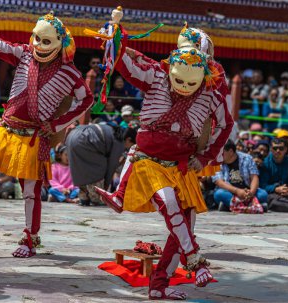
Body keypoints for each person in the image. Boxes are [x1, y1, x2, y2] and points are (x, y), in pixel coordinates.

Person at [96, 23, 233, 300]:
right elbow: (126, 65)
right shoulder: (156, 75)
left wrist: (204, 157)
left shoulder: (211, 93)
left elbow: (224, 125)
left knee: (183, 223)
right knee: (169, 204)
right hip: (148, 160)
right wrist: (115, 39)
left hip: (182, 165)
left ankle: (159, 287)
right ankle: (195, 261)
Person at [0, 12, 93, 258]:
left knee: (31, 190)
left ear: (60, 42)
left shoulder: (70, 73)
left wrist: (59, 123)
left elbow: (87, 100)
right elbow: (2, 48)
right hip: (7, 128)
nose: (39, 46)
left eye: (46, 42)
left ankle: (30, 239)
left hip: (35, 135)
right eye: (36, 39)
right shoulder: (24, 54)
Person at [66, 122, 124, 206]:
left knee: (79, 170)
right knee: (97, 171)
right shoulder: (119, 140)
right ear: (128, 139)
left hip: (72, 137)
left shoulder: (109, 130)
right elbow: (111, 166)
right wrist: (105, 187)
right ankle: (96, 198)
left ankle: (84, 197)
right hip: (87, 139)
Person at [213, 139, 268, 211]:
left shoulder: (247, 158)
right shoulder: (216, 162)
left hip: (247, 191)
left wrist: (251, 193)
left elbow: (254, 177)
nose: (218, 155)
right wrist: (237, 191)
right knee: (219, 194)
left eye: (221, 152)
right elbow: (219, 182)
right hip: (230, 192)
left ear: (230, 151)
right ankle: (253, 205)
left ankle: (231, 206)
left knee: (263, 194)